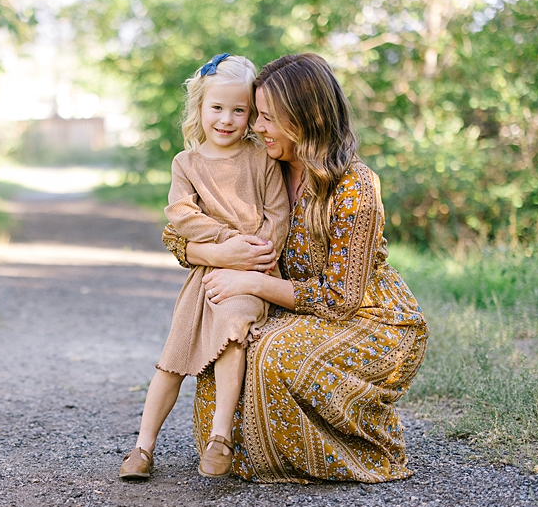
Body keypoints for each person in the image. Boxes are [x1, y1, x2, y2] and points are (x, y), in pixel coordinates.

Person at [163, 52, 429, 483]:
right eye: (258, 115)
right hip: (297, 311)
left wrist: (249, 280)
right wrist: (216, 255)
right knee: (227, 353)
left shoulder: (353, 185)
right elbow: (175, 234)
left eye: (267, 118)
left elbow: (339, 298)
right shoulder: (262, 163)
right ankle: (254, 446)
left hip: (367, 319)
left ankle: (362, 445)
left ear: (304, 119)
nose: (256, 127)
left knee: (270, 354)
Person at [119, 53, 289, 481]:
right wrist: (226, 240)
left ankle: (220, 438)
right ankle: (142, 447)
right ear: (200, 107)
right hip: (205, 278)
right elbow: (180, 214)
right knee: (171, 360)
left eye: (239, 110)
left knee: (233, 336)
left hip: (253, 275)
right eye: (217, 108)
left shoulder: (261, 159)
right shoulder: (187, 163)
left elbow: (278, 213)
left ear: (252, 115)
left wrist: (257, 256)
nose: (227, 119)